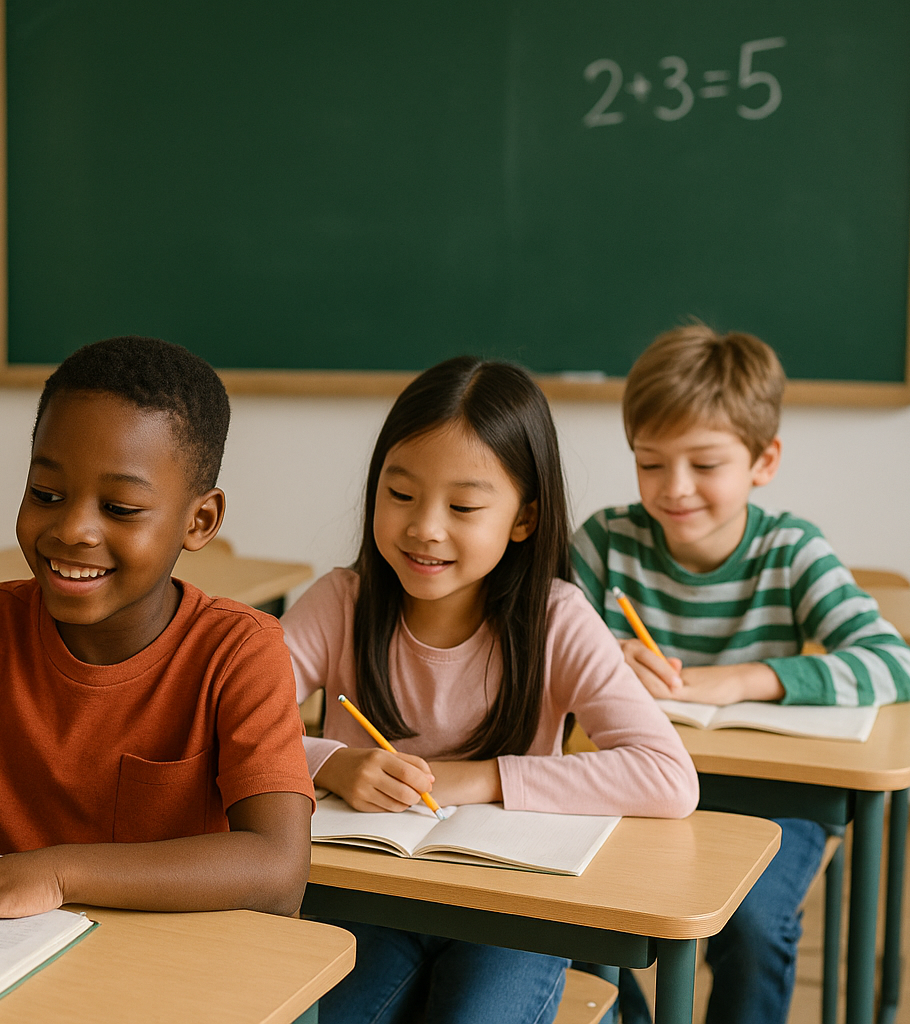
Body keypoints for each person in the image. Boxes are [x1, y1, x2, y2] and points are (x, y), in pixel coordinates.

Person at [0, 336, 315, 926]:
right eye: (47, 494)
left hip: (177, 967)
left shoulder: (240, 653)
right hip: (2, 957)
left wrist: (60, 874)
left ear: (200, 520)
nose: (74, 529)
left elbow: (278, 870)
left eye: (121, 509)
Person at [286, 357, 698, 1024]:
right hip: (373, 897)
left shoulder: (555, 619)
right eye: (401, 495)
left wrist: (475, 780)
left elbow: (668, 776)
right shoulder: (342, 602)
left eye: (464, 506)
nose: (425, 526)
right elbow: (228, 724)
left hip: (510, 906)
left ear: (524, 518)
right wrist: (336, 764)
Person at [570, 325, 910, 1024]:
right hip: (639, 789)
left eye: (705, 465)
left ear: (764, 461)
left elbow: (895, 664)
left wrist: (741, 679)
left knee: (755, 925)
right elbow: (538, 649)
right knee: (576, 911)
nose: (674, 490)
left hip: (776, 799)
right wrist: (605, 655)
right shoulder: (606, 541)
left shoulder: (790, 550)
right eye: (651, 464)